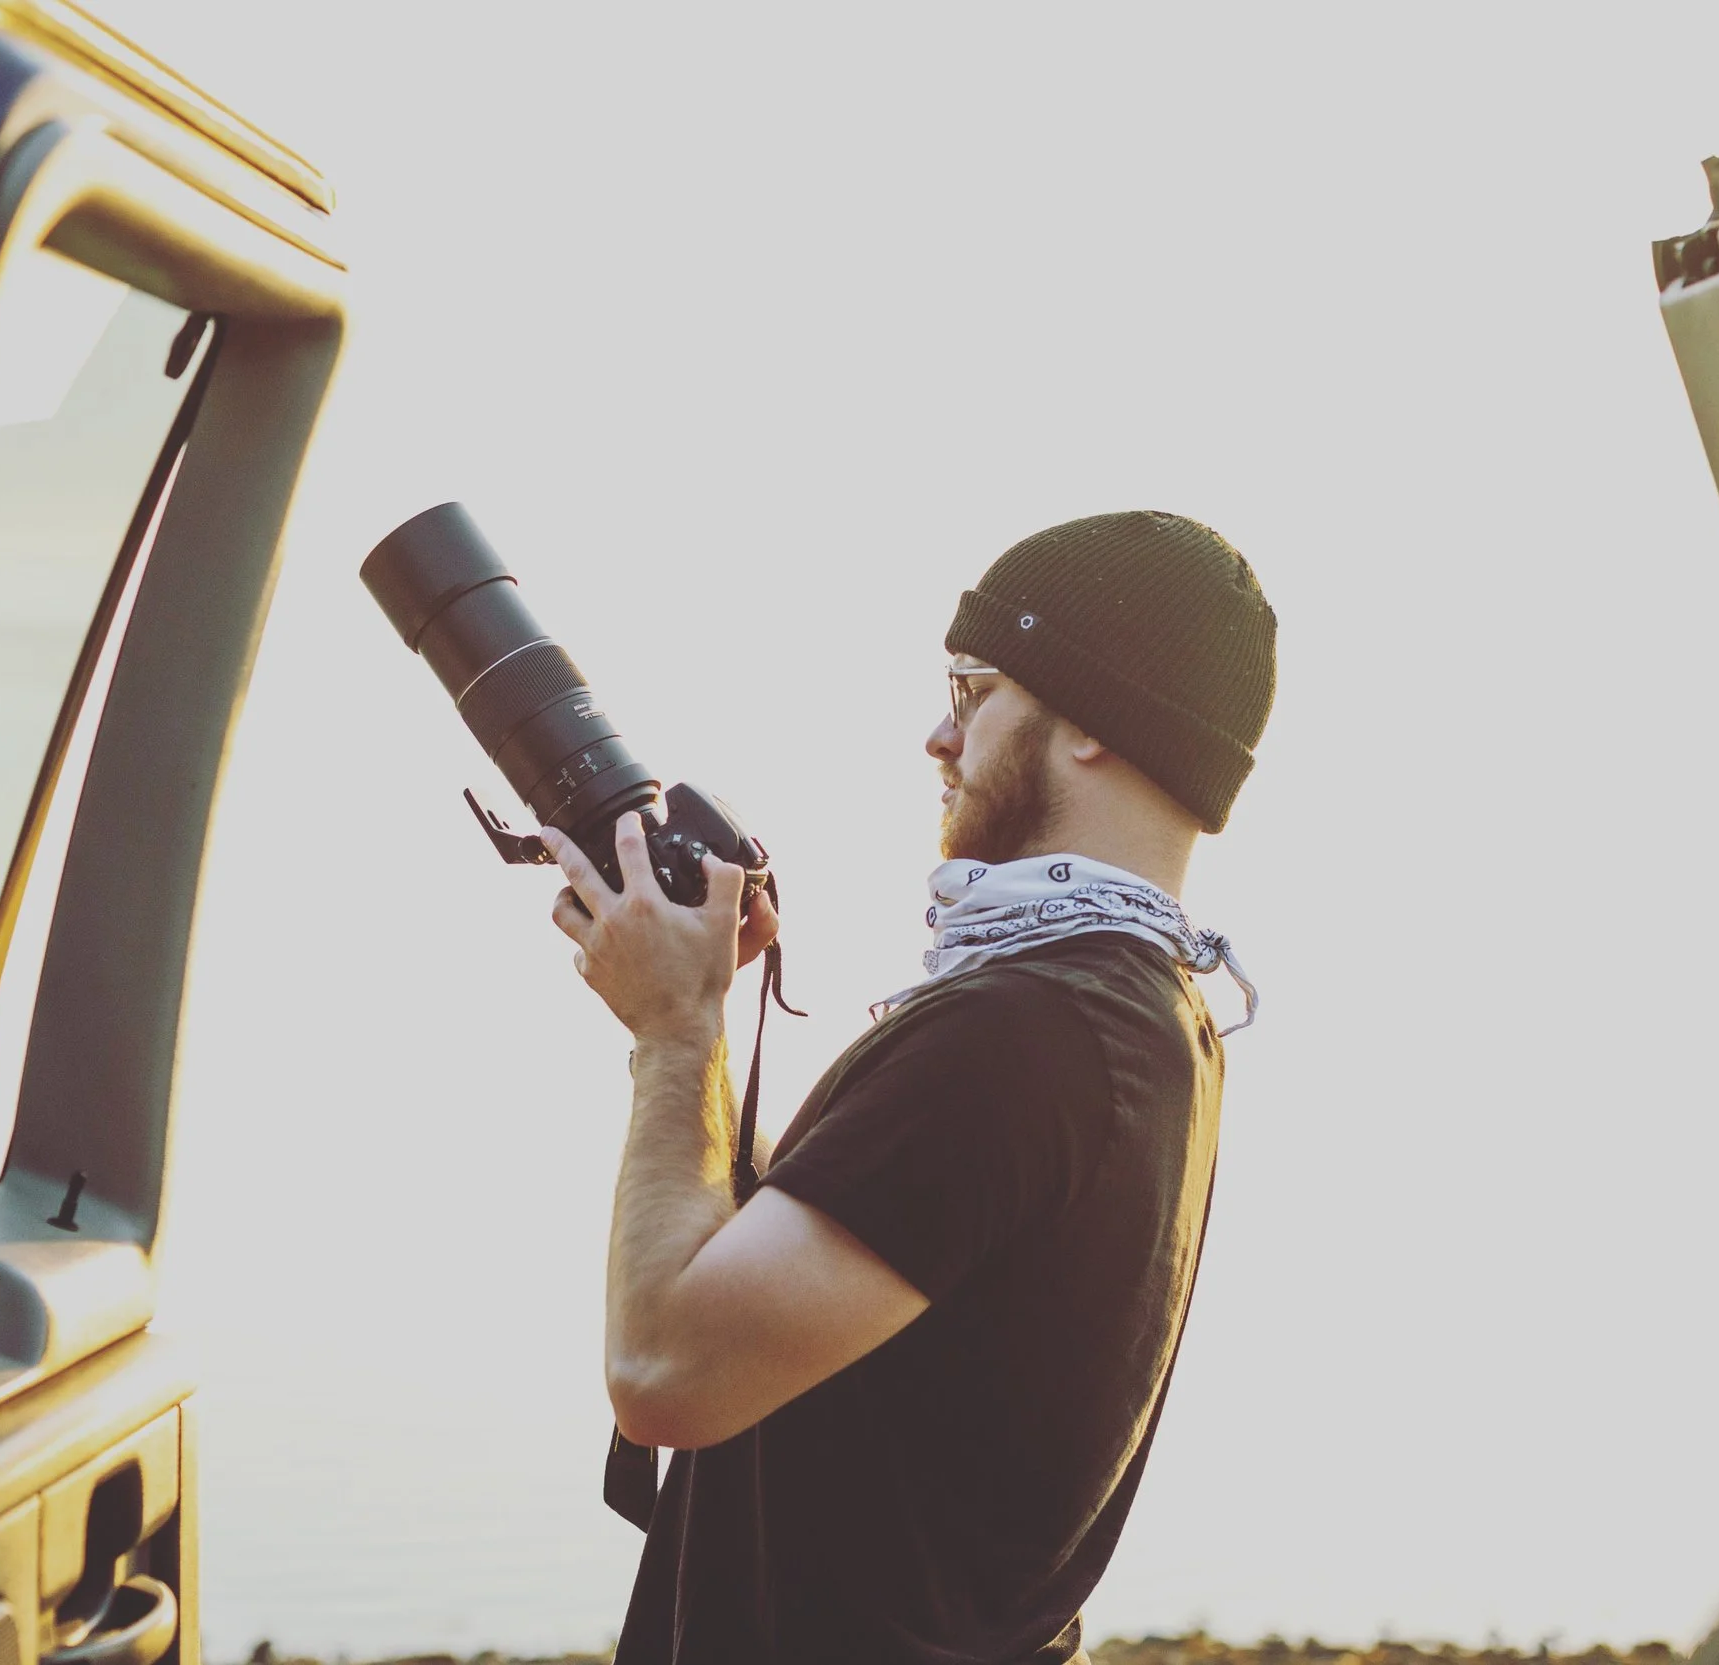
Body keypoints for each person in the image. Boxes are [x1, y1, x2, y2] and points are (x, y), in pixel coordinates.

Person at [541, 510, 1278, 1665]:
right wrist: (707, 1018)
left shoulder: (1021, 1035)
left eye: (973, 690)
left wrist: (675, 1033)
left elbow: (664, 1372)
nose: (938, 734)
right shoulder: (1153, 1022)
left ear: (1090, 722)